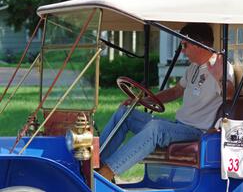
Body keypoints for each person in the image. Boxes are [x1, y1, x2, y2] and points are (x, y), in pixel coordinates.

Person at [98, 23, 235, 180]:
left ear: (199, 44)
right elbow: (176, 91)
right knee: (125, 114)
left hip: (197, 131)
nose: (182, 50)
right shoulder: (194, 67)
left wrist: (219, 76)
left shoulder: (221, 67)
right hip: (179, 126)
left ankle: (106, 174)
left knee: (156, 128)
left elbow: (230, 96)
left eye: (185, 44)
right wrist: (144, 100)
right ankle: (96, 164)